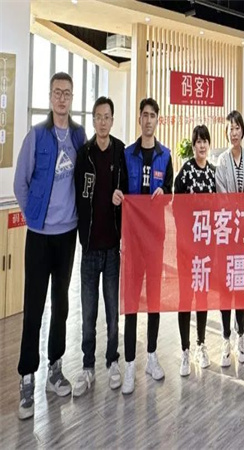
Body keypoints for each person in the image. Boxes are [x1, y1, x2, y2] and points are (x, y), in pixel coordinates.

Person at [14, 72, 86, 420]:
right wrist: (33, 218)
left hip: (67, 234)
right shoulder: (37, 135)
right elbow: (20, 183)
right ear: (50, 96)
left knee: (61, 305)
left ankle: (55, 368)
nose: (62, 98)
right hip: (39, 236)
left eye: (67, 93)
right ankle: (27, 377)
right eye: (57, 92)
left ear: (72, 98)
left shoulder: (79, 136)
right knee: (34, 306)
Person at [72, 97, 127, 396]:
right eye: (98, 117)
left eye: (107, 117)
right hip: (90, 248)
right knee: (88, 313)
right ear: (93, 120)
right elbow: (77, 195)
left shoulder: (120, 151)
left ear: (112, 120)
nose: (103, 122)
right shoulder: (84, 154)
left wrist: (122, 197)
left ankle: (112, 361)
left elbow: (128, 191)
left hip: (112, 248)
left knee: (112, 312)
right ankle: (87, 366)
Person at [121, 98, 173, 394]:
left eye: (153, 115)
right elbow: (120, 192)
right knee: (131, 301)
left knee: (154, 298)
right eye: (145, 115)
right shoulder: (128, 154)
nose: (149, 120)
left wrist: (165, 192)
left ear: (157, 120)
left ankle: (151, 356)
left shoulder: (166, 156)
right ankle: (130, 363)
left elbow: (172, 194)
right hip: (132, 241)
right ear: (139, 119)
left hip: (155, 240)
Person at [174, 125, 217, 376]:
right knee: (185, 298)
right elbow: (177, 210)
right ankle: (184, 350)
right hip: (186, 249)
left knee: (202, 296)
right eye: (198, 142)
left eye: (205, 141)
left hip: (206, 250)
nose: (201, 146)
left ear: (209, 145)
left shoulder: (213, 173)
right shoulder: (185, 173)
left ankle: (201, 345)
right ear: (193, 145)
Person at [215, 110, 244, 367]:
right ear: (226, 132)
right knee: (226, 287)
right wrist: (236, 212)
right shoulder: (221, 161)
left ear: (242, 130)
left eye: (237, 127)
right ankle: (225, 339)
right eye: (230, 128)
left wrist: (243, 212)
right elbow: (221, 196)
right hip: (227, 234)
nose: (234, 132)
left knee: (241, 287)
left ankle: (241, 336)